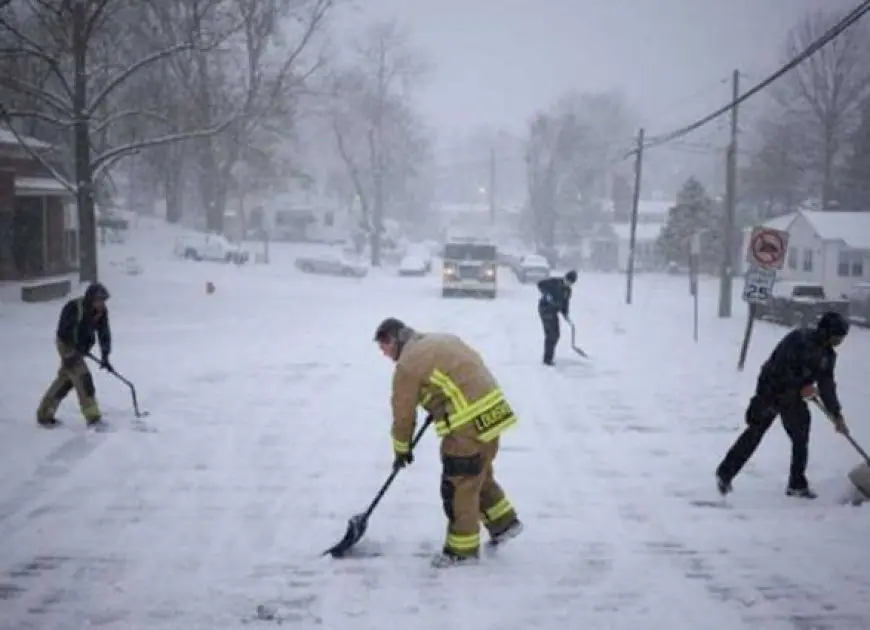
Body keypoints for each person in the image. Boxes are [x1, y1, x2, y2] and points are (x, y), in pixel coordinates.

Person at [374, 317, 523, 567]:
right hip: (494, 412)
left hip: (467, 422)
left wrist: (401, 449)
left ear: (393, 339)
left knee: (459, 484)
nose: (384, 354)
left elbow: (403, 414)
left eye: (383, 347)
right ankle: (504, 523)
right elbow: (461, 373)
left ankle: (461, 552)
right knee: (477, 471)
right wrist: (440, 399)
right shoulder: (441, 340)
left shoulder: (408, 365)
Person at [715, 311, 850, 499]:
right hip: (771, 390)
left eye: (841, 338)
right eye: (837, 337)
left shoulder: (828, 356)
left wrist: (837, 415)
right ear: (826, 332)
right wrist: (801, 387)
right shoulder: (798, 340)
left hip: (793, 398)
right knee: (756, 431)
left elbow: (827, 385)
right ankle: (724, 474)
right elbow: (779, 369)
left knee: (801, 435)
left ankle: (796, 484)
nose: (839, 342)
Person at [36, 282, 113, 429]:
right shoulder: (74, 307)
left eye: (104, 300)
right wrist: (73, 351)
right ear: (91, 299)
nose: (102, 304)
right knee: (83, 378)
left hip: (80, 348)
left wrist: (105, 356)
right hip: (67, 345)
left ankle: (44, 414)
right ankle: (93, 418)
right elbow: (64, 330)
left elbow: (104, 334)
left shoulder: (101, 312)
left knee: (66, 380)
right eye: (99, 300)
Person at [537, 270, 577, 365]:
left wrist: (566, 314)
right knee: (551, 334)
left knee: (556, 335)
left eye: (571, 283)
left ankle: (549, 356)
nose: (569, 284)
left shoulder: (568, 291)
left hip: (554, 312)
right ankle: (547, 359)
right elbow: (540, 284)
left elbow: (565, 304)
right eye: (568, 281)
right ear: (565, 278)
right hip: (545, 310)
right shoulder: (554, 282)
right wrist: (547, 295)